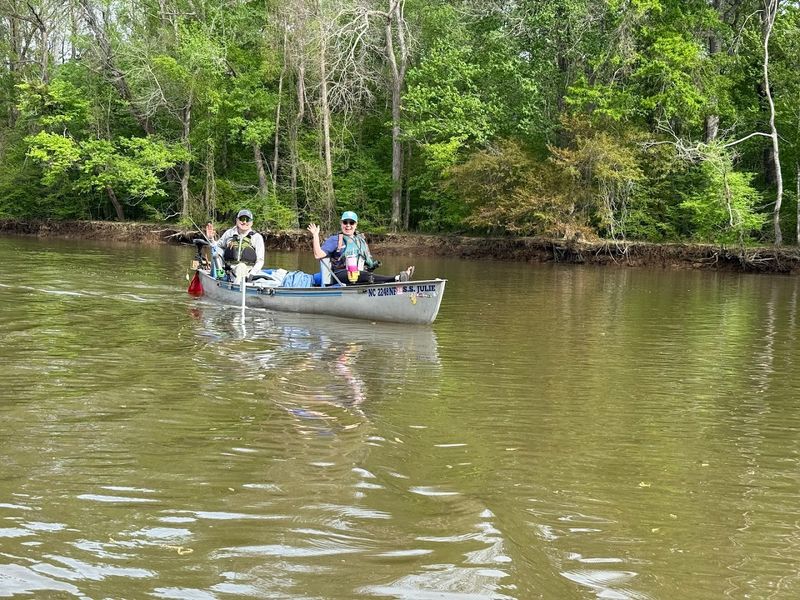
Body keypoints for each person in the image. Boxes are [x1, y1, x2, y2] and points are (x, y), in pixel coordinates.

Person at [307, 211, 414, 285]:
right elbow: (318, 255)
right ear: (341, 224)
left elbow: (367, 261)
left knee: (367, 275)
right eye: (345, 222)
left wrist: (373, 264)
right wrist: (315, 235)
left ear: (356, 224)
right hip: (340, 274)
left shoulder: (360, 240)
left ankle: (394, 282)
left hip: (359, 273)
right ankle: (397, 278)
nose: (348, 225)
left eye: (351, 222)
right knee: (365, 276)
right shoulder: (335, 239)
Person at [207, 209, 265, 281]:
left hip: (247, 271)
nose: (244, 222)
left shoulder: (257, 237)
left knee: (241, 267)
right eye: (242, 219)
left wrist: (252, 274)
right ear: (237, 220)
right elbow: (216, 246)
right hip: (229, 270)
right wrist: (211, 238)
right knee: (216, 251)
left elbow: (260, 260)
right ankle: (219, 277)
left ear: (252, 222)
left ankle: (238, 288)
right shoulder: (229, 233)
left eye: (247, 220)